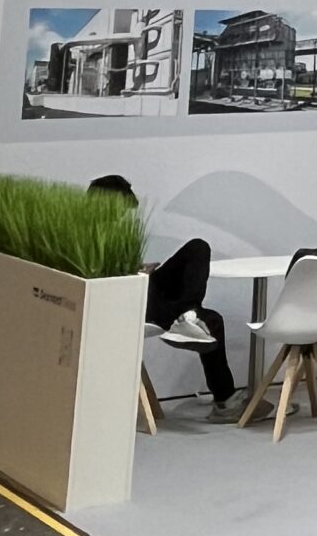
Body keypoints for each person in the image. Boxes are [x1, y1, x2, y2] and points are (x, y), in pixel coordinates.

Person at [90, 177, 242, 421]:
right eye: (119, 211)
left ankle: (188, 314)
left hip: (147, 290)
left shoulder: (110, 232)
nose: (121, 218)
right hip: (131, 300)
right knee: (211, 321)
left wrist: (138, 269)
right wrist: (134, 274)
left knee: (198, 247)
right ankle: (224, 399)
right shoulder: (83, 235)